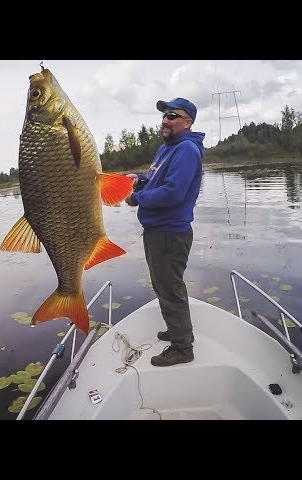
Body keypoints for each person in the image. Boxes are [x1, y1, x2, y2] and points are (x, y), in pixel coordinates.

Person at [125, 97, 205, 367]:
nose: (165, 120)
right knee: (163, 284)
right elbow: (157, 181)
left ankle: (183, 348)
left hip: (170, 233)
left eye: (173, 115)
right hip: (157, 230)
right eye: (164, 115)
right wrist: (139, 180)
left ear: (188, 122)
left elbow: (173, 192)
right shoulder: (165, 149)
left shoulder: (186, 150)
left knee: (170, 289)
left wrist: (137, 199)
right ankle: (176, 329)